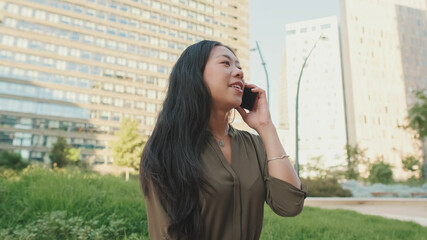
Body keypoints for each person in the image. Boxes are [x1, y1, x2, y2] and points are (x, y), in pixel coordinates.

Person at [140, 40, 306, 240]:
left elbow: (290, 205)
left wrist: (266, 127)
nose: (239, 72)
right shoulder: (166, 149)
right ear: (195, 75)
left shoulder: (254, 146)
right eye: (226, 63)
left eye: (239, 66)